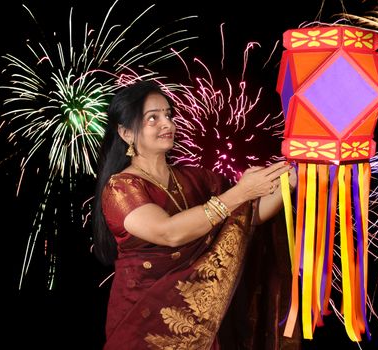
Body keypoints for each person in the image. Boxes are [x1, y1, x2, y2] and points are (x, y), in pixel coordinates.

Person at [92, 80, 297, 350]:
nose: (167, 124)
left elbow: (248, 216)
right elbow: (169, 232)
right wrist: (242, 192)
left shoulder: (195, 178)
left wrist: (294, 178)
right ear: (126, 133)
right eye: (153, 118)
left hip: (201, 323)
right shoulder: (121, 187)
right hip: (144, 322)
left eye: (168, 115)